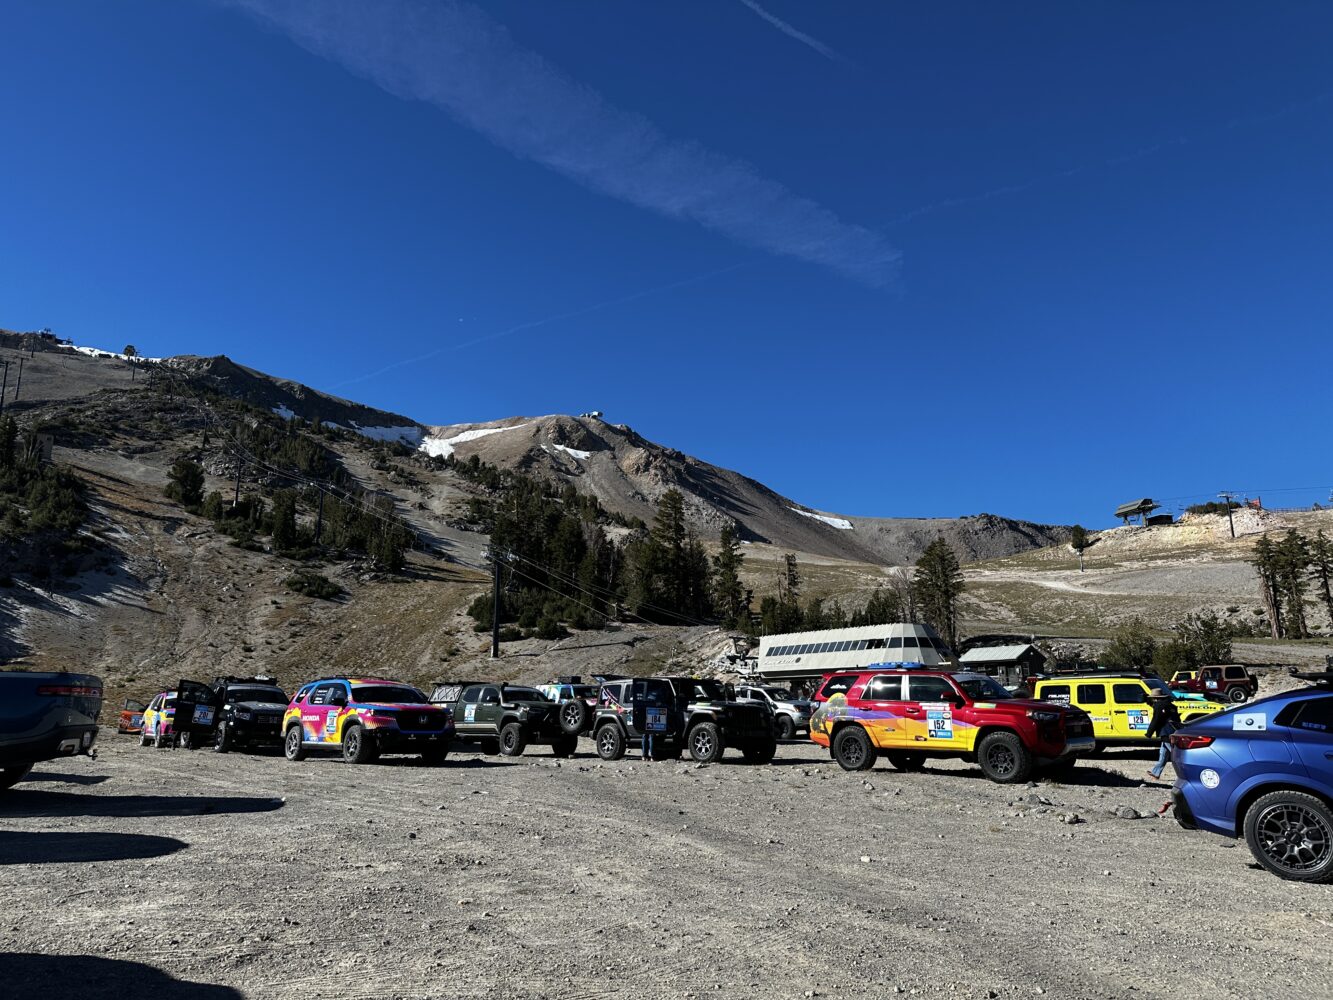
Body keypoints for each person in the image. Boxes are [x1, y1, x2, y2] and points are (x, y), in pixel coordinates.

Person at [1145, 690, 1182, 781]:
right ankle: (1155, 773)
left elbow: (1156, 720)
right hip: (1173, 731)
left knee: (1175, 755)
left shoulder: (1159, 706)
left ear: (1155, 698)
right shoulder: (1172, 706)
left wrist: (1149, 732)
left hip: (1166, 732)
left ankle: (1184, 774)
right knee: (1163, 754)